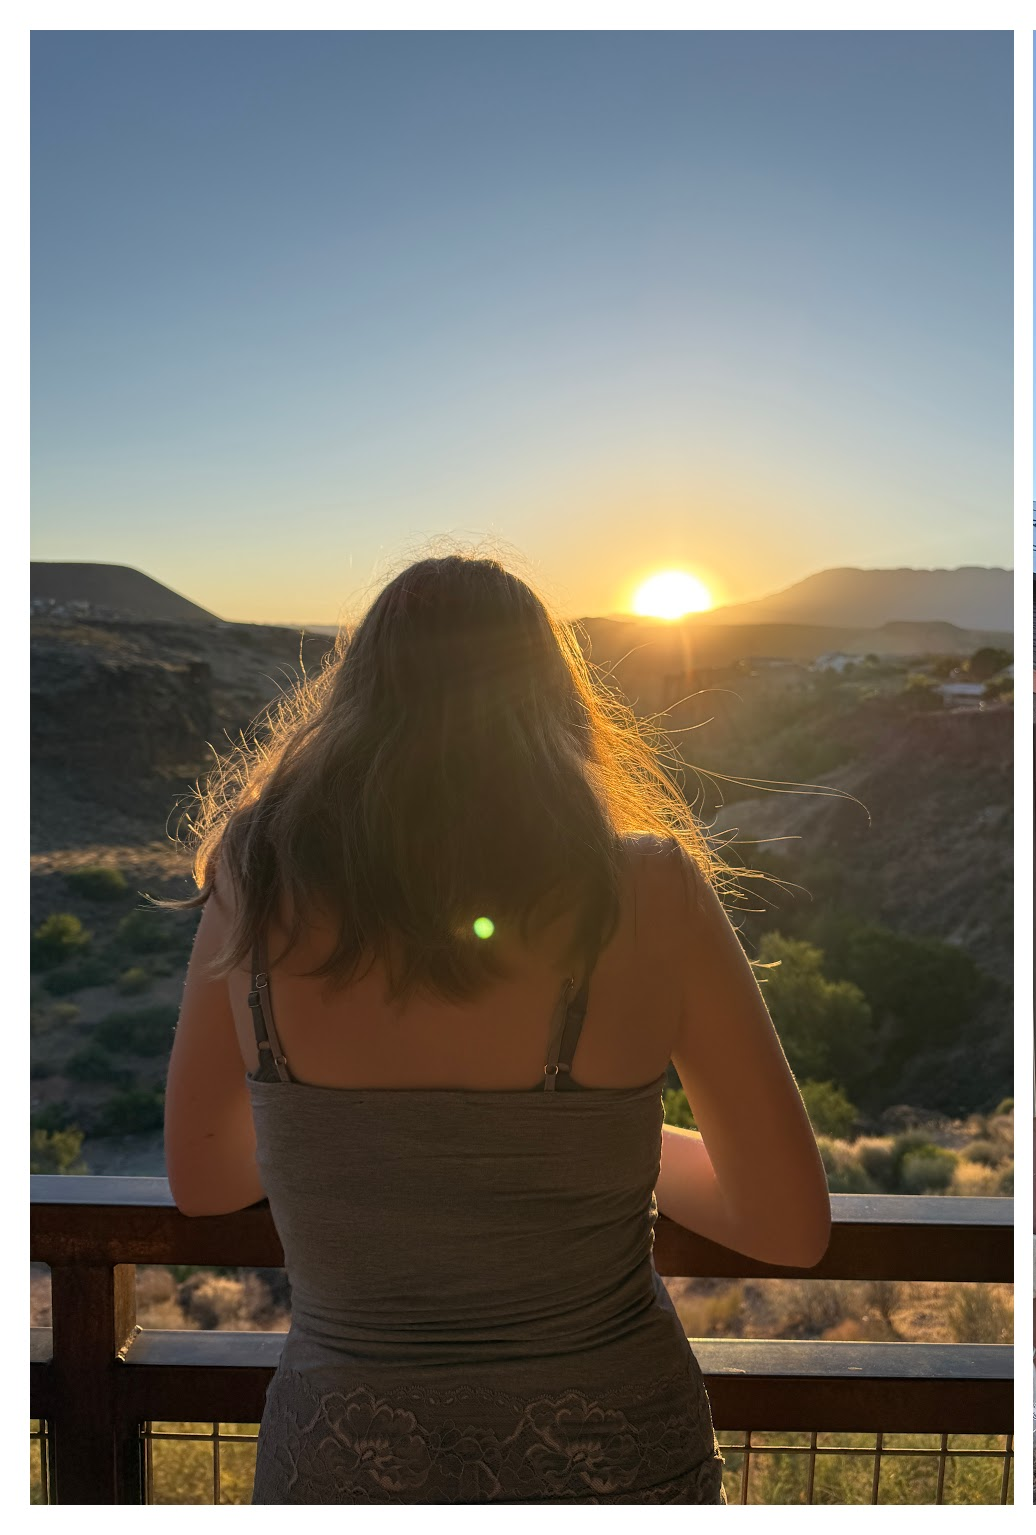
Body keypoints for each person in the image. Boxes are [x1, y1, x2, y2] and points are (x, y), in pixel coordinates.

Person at [164, 555, 831, 1503]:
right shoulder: (647, 888)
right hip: (614, 1460)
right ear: (551, 697)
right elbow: (789, 1228)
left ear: (358, 695)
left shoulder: (253, 879)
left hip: (344, 1463)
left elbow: (205, 1179)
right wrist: (604, 1143)